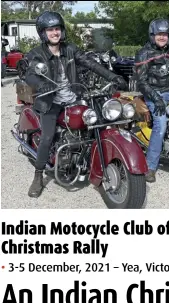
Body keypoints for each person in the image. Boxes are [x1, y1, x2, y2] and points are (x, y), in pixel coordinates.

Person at [25, 11, 126, 198]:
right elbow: (29, 72)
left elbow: (91, 63)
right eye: (50, 30)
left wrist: (113, 76)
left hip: (74, 98)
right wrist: (41, 83)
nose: (54, 33)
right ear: (42, 33)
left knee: (99, 120)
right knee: (47, 137)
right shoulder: (37, 54)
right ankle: (38, 176)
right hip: (50, 102)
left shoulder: (70, 49)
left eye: (57, 29)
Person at [135, 18, 169, 183]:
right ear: (152, 35)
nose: (162, 37)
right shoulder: (144, 53)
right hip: (154, 94)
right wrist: (156, 98)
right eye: (159, 34)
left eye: (165, 34)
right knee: (160, 126)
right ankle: (150, 167)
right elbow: (141, 82)